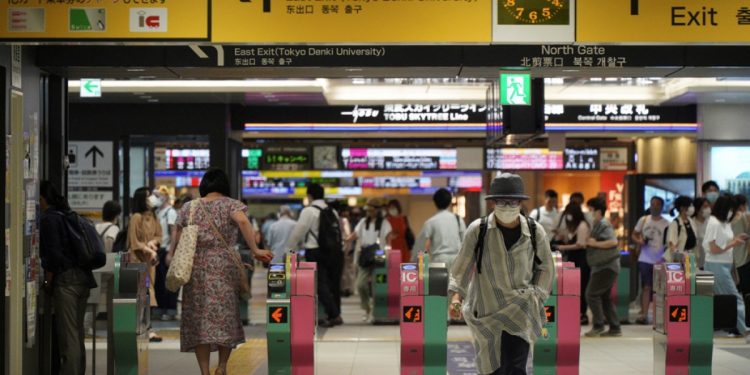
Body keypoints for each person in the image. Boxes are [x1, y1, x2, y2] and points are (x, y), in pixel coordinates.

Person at [449, 173, 555, 375]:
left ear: (521, 203)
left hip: (520, 309)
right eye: (502, 201)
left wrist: (536, 295)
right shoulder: (478, 230)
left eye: (512, 201)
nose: (507, 206)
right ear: (492, 203)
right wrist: (456, 296)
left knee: (515, 367)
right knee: (491, 368)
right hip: (487, 310)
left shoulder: (535, 231)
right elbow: (461, 266)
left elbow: (546, 268)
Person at [171, 168, 273, 375]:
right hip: (223, 266)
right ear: (224, 186)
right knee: (225, 317)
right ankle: (222, 366)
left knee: (199, 321)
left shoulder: (189, 207)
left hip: (196, 267)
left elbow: (178, 234)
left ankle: (204, 371)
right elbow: (243, 221)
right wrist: (254, 249)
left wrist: (174, 257)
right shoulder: (231, 204)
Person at [39, 181, 97, 375]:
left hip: (67, 282)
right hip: (83, 280)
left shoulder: (48, 219)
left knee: (68, 338)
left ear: (41, 199)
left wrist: (47, 280)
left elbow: (54, 257)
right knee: (77, 334)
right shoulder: (67, 215)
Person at [285, 183, 344, 328]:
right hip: (333, 252)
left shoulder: (309, 211)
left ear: (309, 195)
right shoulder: (332, 211)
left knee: (319, 285)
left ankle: (334, 314)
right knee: (331, 284)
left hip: (315, 250)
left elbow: (299, 231)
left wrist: (289, 249)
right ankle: (331, 314)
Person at [703, 194, 750, 343]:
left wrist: (736, 239)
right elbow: (713, 248)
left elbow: (724, 242)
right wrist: (734, 243)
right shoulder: (714, 223)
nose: (733, 213)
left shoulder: (724, 223)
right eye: (731, 209)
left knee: (725, 298)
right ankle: (745, 330)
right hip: (716, 265)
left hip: (725, 264)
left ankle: (738, 328)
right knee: (734, 297)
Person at [346, 198, 393, 323]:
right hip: (365, 253)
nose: (369, 212)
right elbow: (355, 234)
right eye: (368, 210)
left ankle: (376, 311)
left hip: (379, 254)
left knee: (379, 285)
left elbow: (388, 241)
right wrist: (347, 240)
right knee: (361, 285)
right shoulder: (362, 222)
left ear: (377, 210)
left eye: (372, 210)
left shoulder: (385, 223)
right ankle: (367, 307)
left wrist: (388, 253)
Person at [127, 187, 163, 342]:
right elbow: (134, 243)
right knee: (144, 293)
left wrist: (153, 243)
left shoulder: (153, 216)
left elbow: (159, 235)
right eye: (150, 196)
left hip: (149, 262)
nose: (153, 198)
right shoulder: (136, 217)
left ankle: (145, 327)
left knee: (148, 293)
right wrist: (149, 249)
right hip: (138, 261)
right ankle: (145, 328)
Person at [584, 198, 622, 337]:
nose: (589, 213)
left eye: (591, 210)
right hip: (604, 267)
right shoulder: (597, 224)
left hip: (606, 267)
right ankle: (615, 327)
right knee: (605, 298)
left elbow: (613, 242)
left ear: (598, 211)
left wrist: (594, 244)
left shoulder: (603, 224)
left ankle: (599, 325)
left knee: (591, 294)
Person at [631, 196, 669, 325]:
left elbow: (669, 243)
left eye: (657, 204)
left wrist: (665, 257)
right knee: (646, 287)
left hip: (660, 260)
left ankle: (659, 316)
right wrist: (639, 241)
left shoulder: (666, 224)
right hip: (644, 258)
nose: (654, 207)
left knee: (660, 289)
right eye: (652, 204)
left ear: (662, 206)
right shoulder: (644, 220)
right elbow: (634, 234)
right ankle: (644, 314)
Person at [412, 188, 467, 273]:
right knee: (455, 286)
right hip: (457, 260)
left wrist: (414, 259)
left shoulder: (431, 222)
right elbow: (465, 240)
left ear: (435, 203)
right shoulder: (458, 219)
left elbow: (420, 242)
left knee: (440, 285)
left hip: (438, 261)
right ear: (449, 202)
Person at [555, 203, 591, 326]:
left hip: (582, 259)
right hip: (572, 259)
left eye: (569, 213)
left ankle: (582, 313)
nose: (568, 216)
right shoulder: (572, 226)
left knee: (581, 287)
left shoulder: (582, 225)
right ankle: (574, 312)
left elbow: (580, 244)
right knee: (572, 287)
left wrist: (562, 246)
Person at [152, 186, 179, 321]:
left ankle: (170, 310)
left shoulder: (170, 212)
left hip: (166, 250)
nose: (155, 199)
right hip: (157, 250)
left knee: (168, 281)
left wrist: (171, 252)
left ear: (165, 197)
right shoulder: (157, 211)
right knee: (158, 282)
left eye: (158, 196)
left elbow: (173, 232)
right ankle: (160, 308)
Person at [665, 196, 698, 263]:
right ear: (682, 208)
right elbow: (672, 245)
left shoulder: (691, 221)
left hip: (691, 257)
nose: (692, 208)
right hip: (679, 259)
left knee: (691, 273)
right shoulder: (675, 223)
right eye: (690, 205)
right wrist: (679, 259)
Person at [731, 195, 750, 299]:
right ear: (742, 205)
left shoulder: (727, 220)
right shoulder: (744, 216)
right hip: (744, 261)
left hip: (732, 262)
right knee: (747, 293)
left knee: (737, 293)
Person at [386, 199, 412, 263]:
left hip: (403, 247)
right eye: (390, 208)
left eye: (393, 207)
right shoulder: (387, 220)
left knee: (404, 268)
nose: (392, 209)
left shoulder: (404, 219)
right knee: (394, 269)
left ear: (398, 208)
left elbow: (408, 232)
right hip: (392, 246)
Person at [693, 197, 712, 269]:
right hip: (696, 263)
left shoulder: (712, 222)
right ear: (697, 209)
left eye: (708, 206)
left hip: (710, 262)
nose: (708, 209)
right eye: (705, 206)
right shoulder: (692, 223)